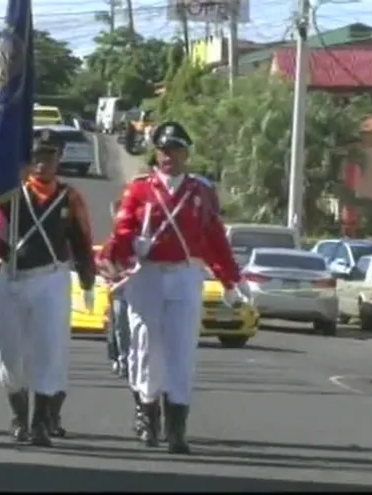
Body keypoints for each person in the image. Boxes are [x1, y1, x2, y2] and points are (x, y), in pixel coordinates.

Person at [99, 121, 248, 454]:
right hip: (147, 276)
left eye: (176, 151)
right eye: (164, 151)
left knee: (181, 352)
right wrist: (116, 257)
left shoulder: (200, 191)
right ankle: (146, 415)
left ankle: (177, 428)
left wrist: (230, 279)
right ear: (157, 153)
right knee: (145, 346)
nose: (169, 157)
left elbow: (214, 240)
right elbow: (122, 229)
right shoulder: (139, 189)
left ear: (186, 154)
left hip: (184, 275)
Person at [0, 129, 97, 447]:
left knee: (49, 350)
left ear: (58, 160)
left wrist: (88, 279)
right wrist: (3, 169)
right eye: (36, 157)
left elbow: (81, 239)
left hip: (50, 277)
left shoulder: (69, 196)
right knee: (9, 353)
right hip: (10, 279)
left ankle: (39, 422)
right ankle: (19, 416)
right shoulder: (9, 195)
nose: (42, 164)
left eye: (48, 157)